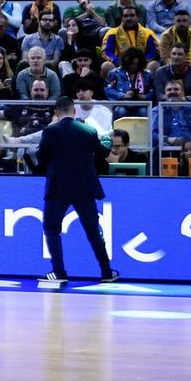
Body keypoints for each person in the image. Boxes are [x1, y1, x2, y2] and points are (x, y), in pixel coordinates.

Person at [36, 97, 118, 284]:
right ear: (74, 111)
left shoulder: (49, 131)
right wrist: (106, 139)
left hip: (58, 186)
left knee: (51, 228)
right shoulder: (88, 130)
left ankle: (59, 272)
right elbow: (103, 153)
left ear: (56, 112)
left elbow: (41, 158)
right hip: (84, 186)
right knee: (92, 230)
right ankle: (106, 272)